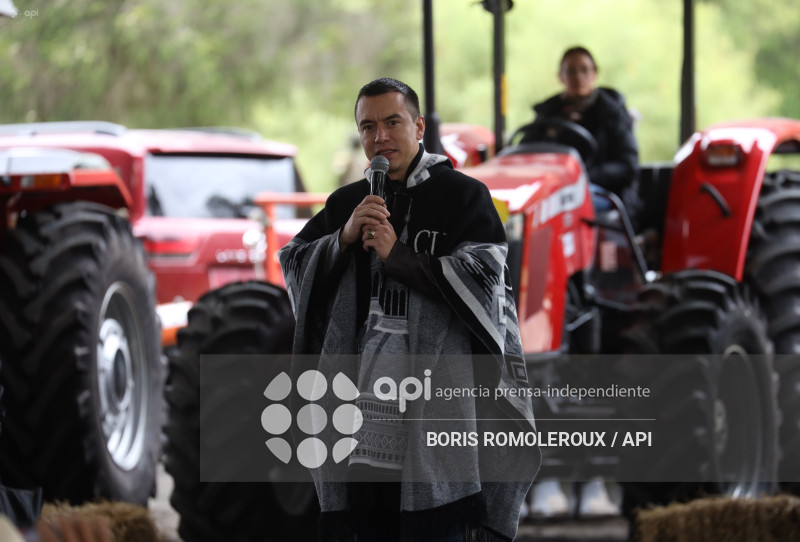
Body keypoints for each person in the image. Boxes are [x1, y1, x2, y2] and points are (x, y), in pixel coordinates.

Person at [278, 78, 540, 542]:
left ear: (418, 127)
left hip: (440, 397)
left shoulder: (464, 196)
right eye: (368, 126)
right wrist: (341, 240)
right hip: (362, 399)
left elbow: (484, 278)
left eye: (392, 122)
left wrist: (398, 256)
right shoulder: (347, 203)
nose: (380, 137)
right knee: (370, 516)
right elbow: (294, 262)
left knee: (438, 524)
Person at [530, 46, 640, 222]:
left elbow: (627, 166)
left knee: (562, 204)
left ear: (594, 73)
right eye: (571, 71)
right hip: (553, 188)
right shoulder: (547, 114)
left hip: (601, 190)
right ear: (561, 76)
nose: (578, 77)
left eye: (584, 70)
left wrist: (582, 176)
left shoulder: (613, 113)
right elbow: (527, 151)